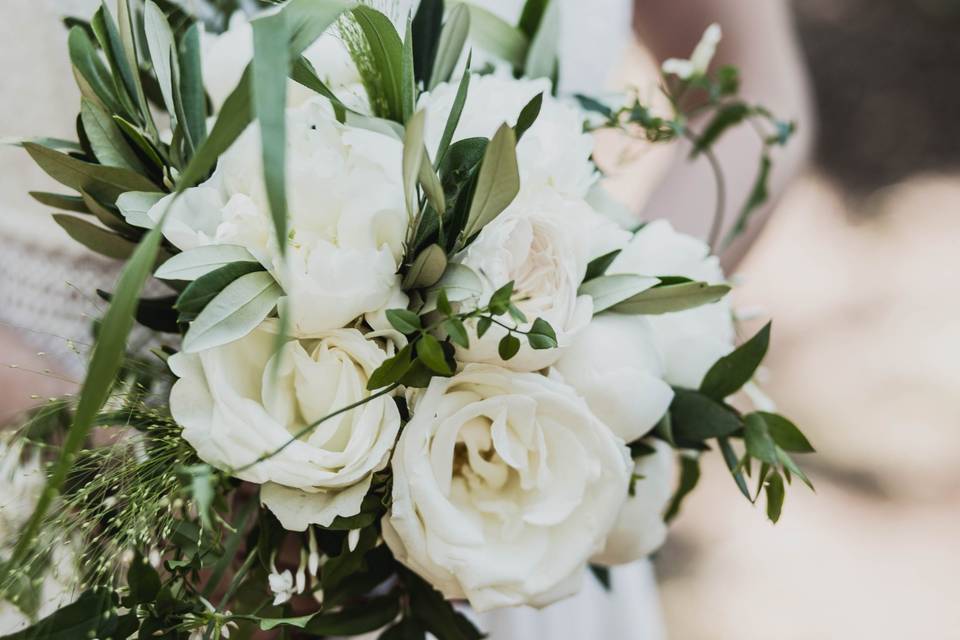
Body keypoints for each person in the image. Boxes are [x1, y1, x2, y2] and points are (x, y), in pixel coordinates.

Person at [0, 0, 812, 637]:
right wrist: (103, 455)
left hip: (508, 500)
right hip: (75, 494)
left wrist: (614, 325)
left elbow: (757, 85)